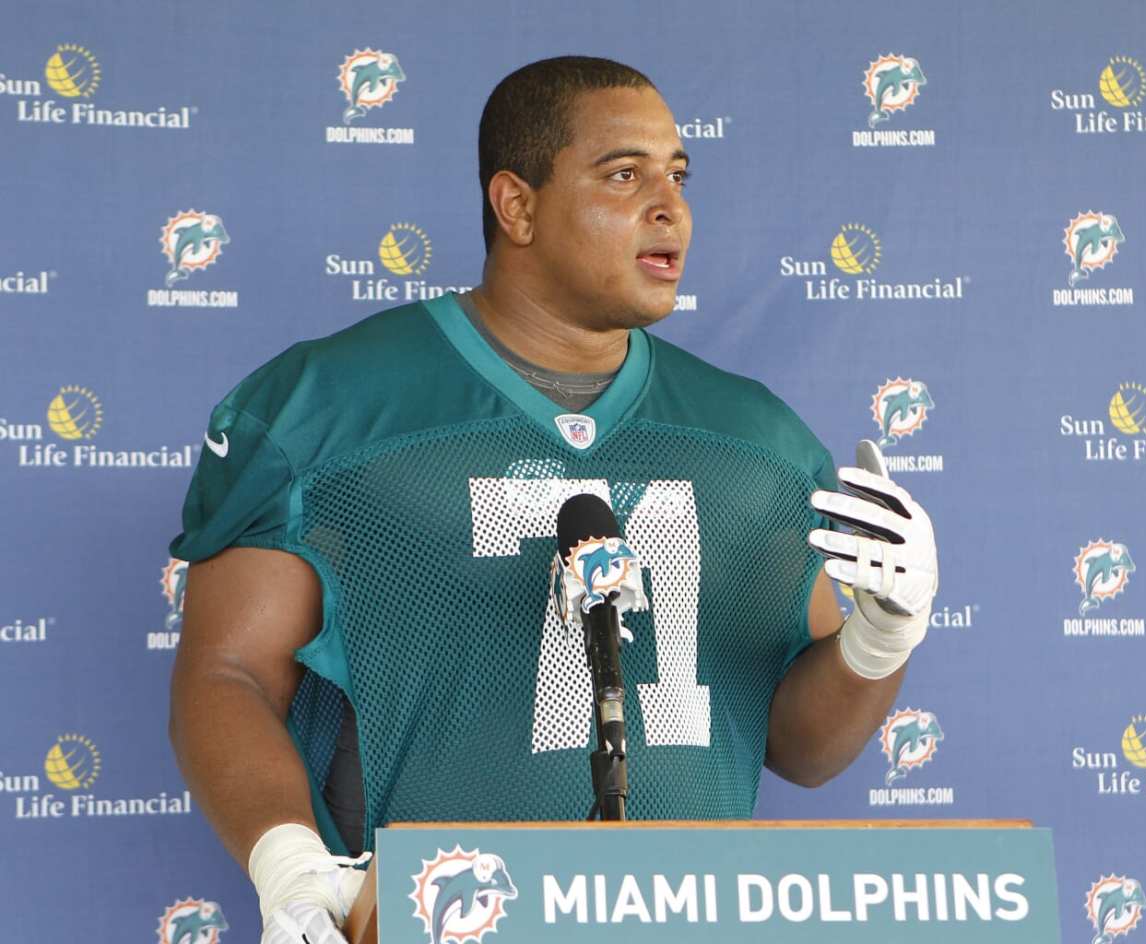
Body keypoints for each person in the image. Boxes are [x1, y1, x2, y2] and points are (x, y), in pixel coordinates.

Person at [168, 56, 938, 944]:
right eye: (624, 174)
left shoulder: (758, 439)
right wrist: (289, 864)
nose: (670, 206)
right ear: (517, 204)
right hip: (431, 922)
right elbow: (226, 672)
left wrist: (880, 638)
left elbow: (803, 751)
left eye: (678, 176)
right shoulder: (327, 405)